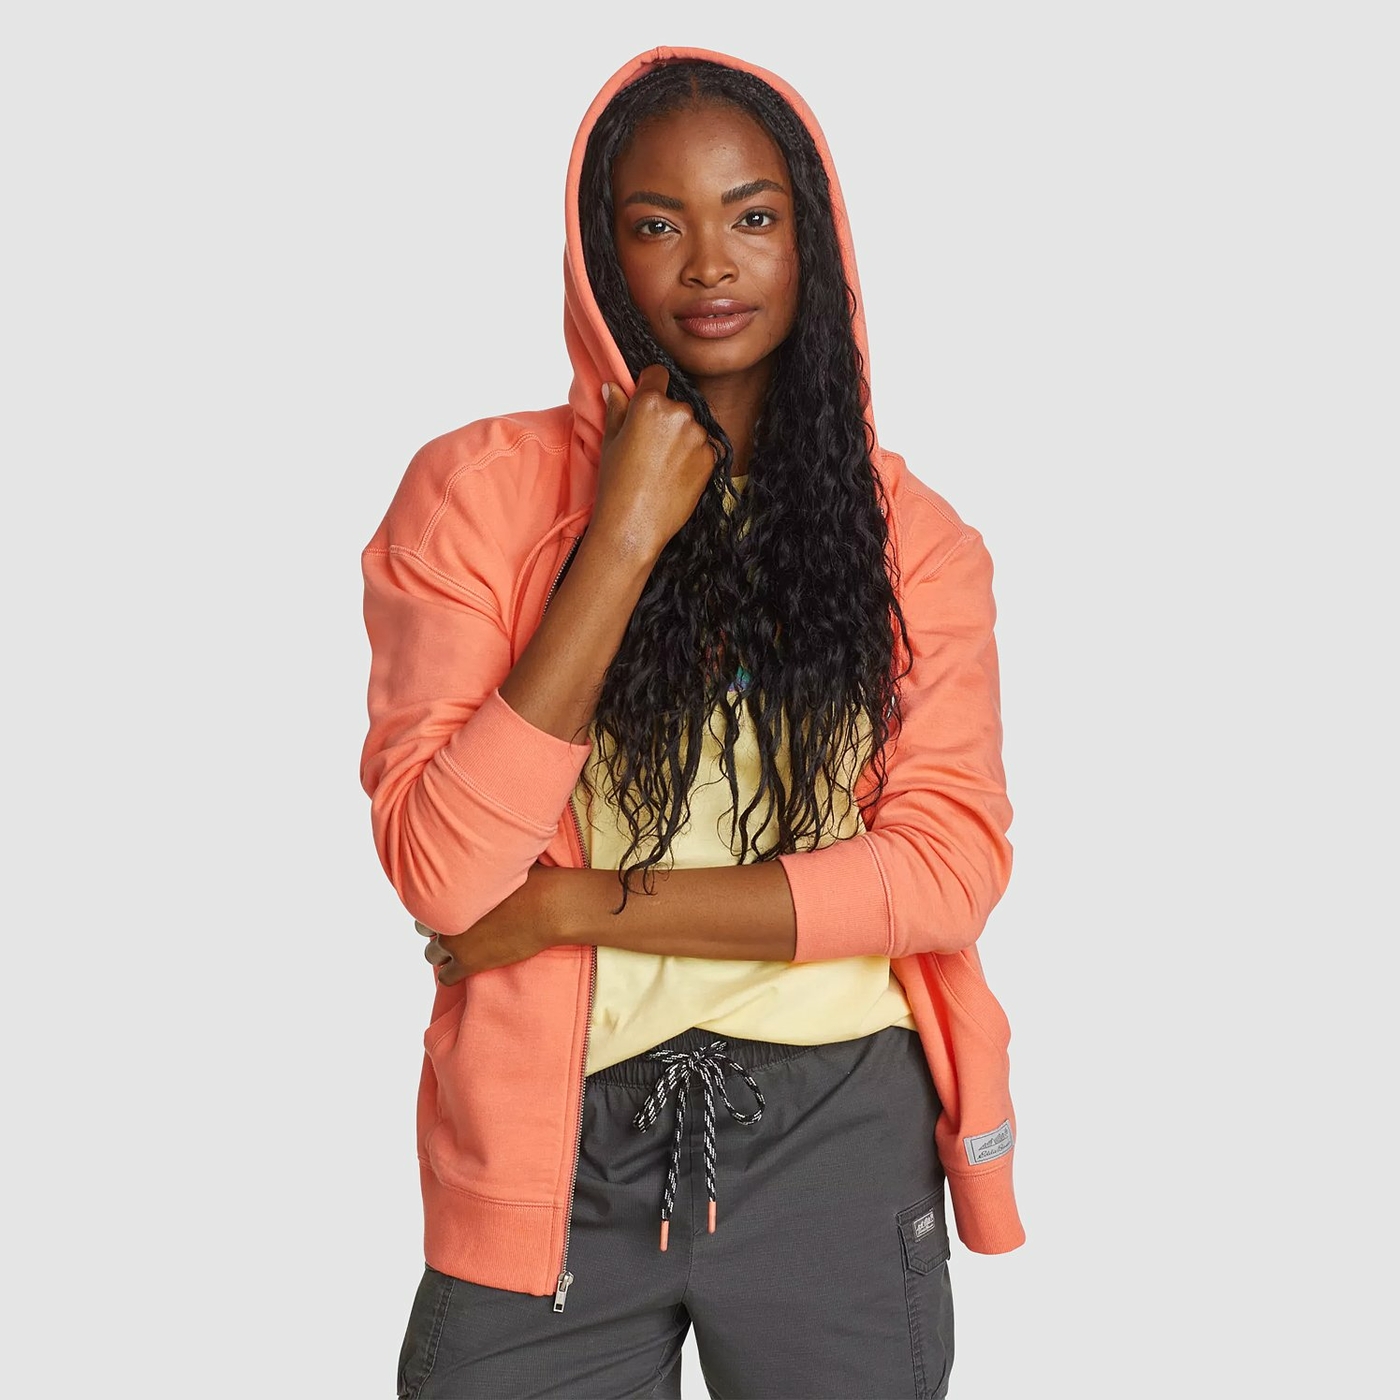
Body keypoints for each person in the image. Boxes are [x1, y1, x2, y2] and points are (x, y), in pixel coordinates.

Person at [359, 44, 1024, 1400]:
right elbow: (444, 870)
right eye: (657, 225)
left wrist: (577, 906)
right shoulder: (477, 497)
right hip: (554, 1143)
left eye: (753, 216)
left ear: (812, 239)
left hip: (838, 1132)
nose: (710, 263)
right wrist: (621, 537)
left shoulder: (914, 541)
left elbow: (946, 872)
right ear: (598, 257)